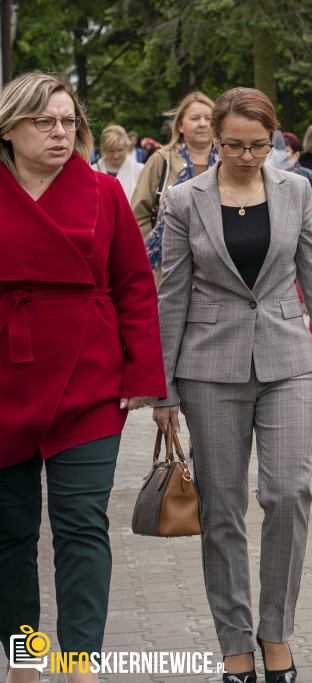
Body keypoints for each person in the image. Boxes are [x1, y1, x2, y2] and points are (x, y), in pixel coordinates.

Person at [152, 87, 312, 683]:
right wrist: (163, 390)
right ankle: (235, 642)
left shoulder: (296, 189)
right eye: (232, 144)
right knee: (223, 509)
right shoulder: (182, 200)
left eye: (258, 145)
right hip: (208, 369)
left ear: (277, 141)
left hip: (287, 360)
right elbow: (171, 294)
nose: (246, 156)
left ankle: (276, 632)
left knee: (287, 496)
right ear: (212, 140)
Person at [0, 71, 164, 683]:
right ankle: (24, 662)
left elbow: (135, 288)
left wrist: (145, 375)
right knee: (11, 535)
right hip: (5, 381)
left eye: (69, 121)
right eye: (45, 121)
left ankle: (78, 665)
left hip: (90, 381)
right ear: (11, 128)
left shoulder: (102, 193)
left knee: (81, 529)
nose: (60, 132)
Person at [131, 91, 217, 278]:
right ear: (180, 125)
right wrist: (154, 249)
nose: (203, 123)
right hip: (167, 268)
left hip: (215, 270)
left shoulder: (228, 163)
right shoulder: (162, 160)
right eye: (195, 118)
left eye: (208, 118)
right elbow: (139, 214)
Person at [91, 124, 144, 199]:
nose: (116, 156)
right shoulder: (92, 171)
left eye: (119, 150)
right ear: (104, 150)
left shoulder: (139, 170)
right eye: (111, 151)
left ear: (126, 147)